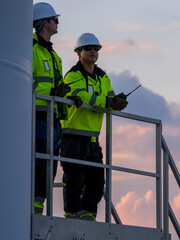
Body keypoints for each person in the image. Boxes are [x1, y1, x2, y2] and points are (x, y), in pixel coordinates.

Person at [60, 33, 128, 221]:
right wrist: (109, 101)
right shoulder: (73, 75)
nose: (93, 51)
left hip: (92, 139)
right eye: (88, 48)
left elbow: (110, 97)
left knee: (97, 181)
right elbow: (87, 97)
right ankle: (72, 214)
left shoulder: (102, 77)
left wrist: (117, 100)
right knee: (74, 179)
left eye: (96, 48)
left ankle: (89, 214)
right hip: (72, 136)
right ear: (78, 52)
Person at [32, 2, 71, 215]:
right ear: (45, 23)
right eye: (55, 19)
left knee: (50, 165)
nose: (58, 23)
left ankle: (38, 208)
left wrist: (64, 93)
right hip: (35, 114)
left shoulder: (55, 57)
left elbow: (53, 85)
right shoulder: (30, 49)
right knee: (37, 162)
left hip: (52, 117)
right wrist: (52, 92)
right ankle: (32, 210)